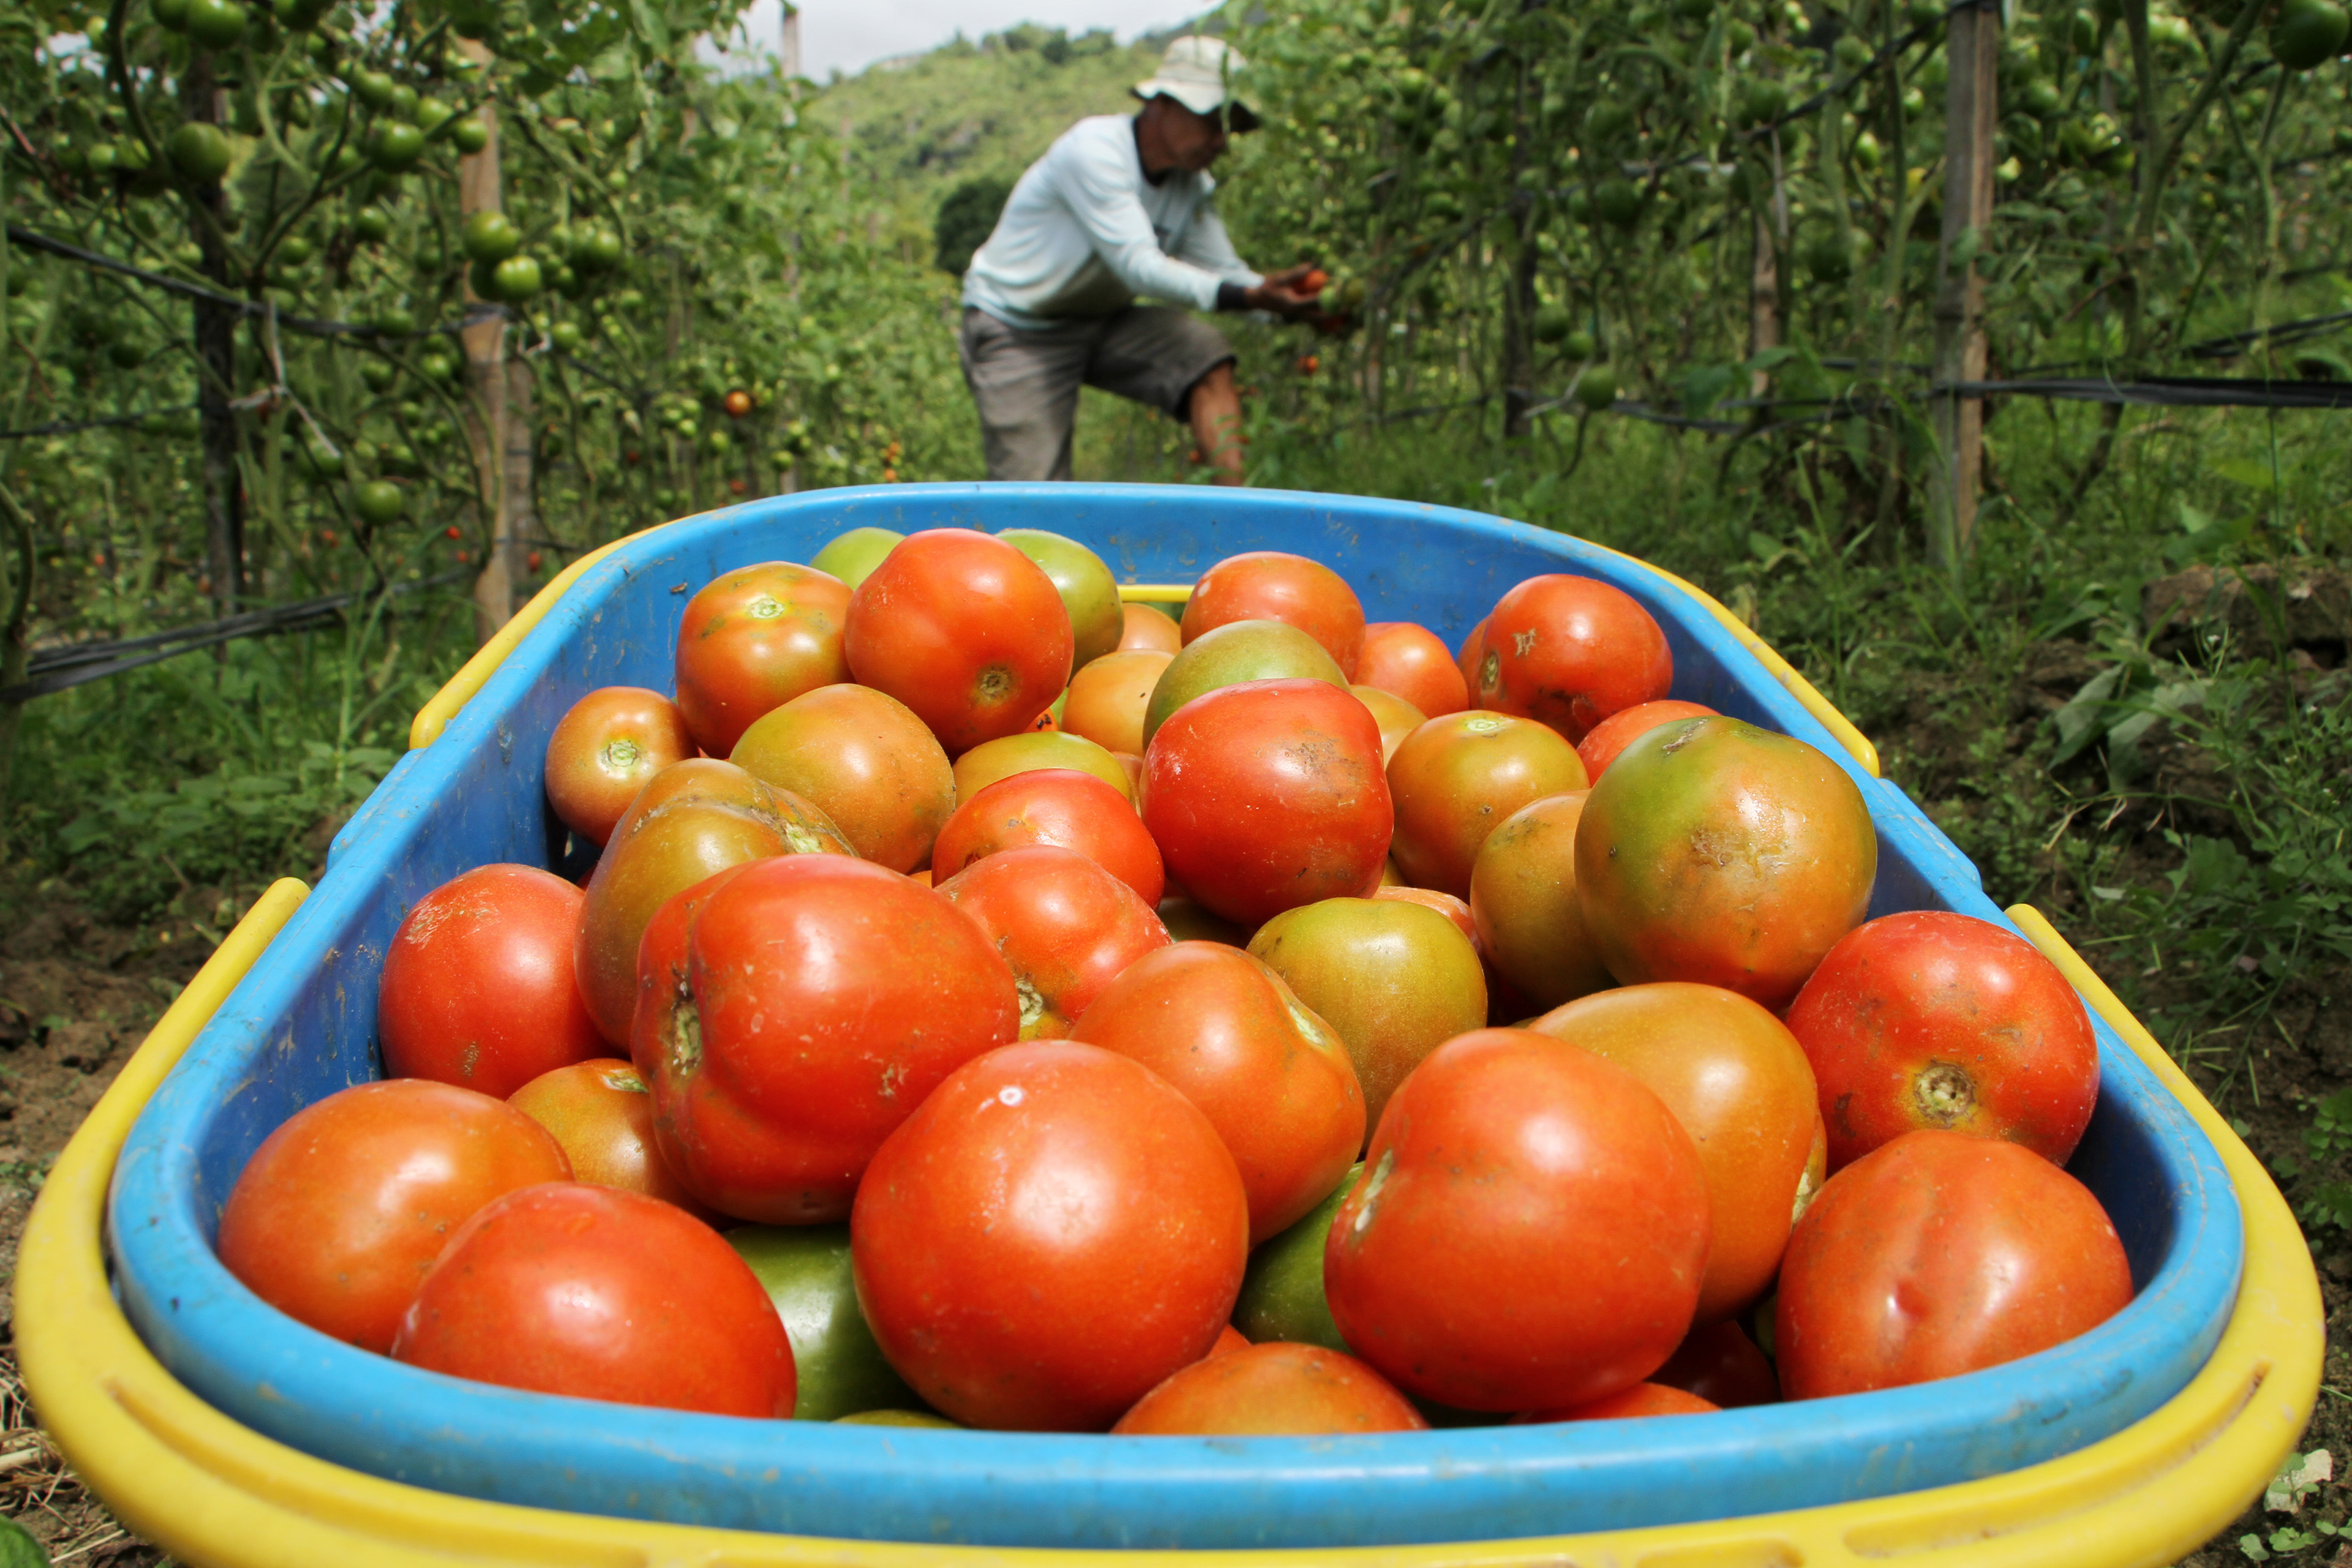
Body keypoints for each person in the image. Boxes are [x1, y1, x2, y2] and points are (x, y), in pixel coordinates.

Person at [957, 36, 1321, 484]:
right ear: (1162, 103)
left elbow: (1227, 274)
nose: (1220, 141)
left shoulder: (1191, 186)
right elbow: (1139, 267)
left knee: (1203, 354)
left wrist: (1286, 307)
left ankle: (1238, 527)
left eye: (1228, 127)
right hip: (1017, 328)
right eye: (1211, 121)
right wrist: (1251, 296)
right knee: (1034, 497)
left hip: (1102, 319)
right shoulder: (1095, 151)